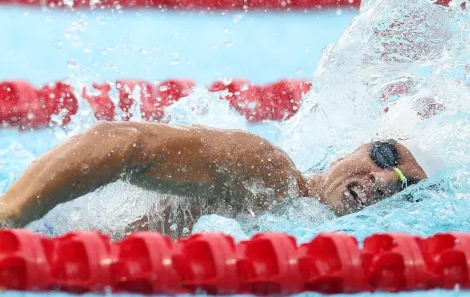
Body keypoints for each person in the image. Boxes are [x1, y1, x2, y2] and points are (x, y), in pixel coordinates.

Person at [0, 121, 429, 237]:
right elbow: (122, 141)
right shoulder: (268, 173)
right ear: (352, 146)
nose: (385, 180)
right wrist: (11, 212)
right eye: (387, 155)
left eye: (405, 184)